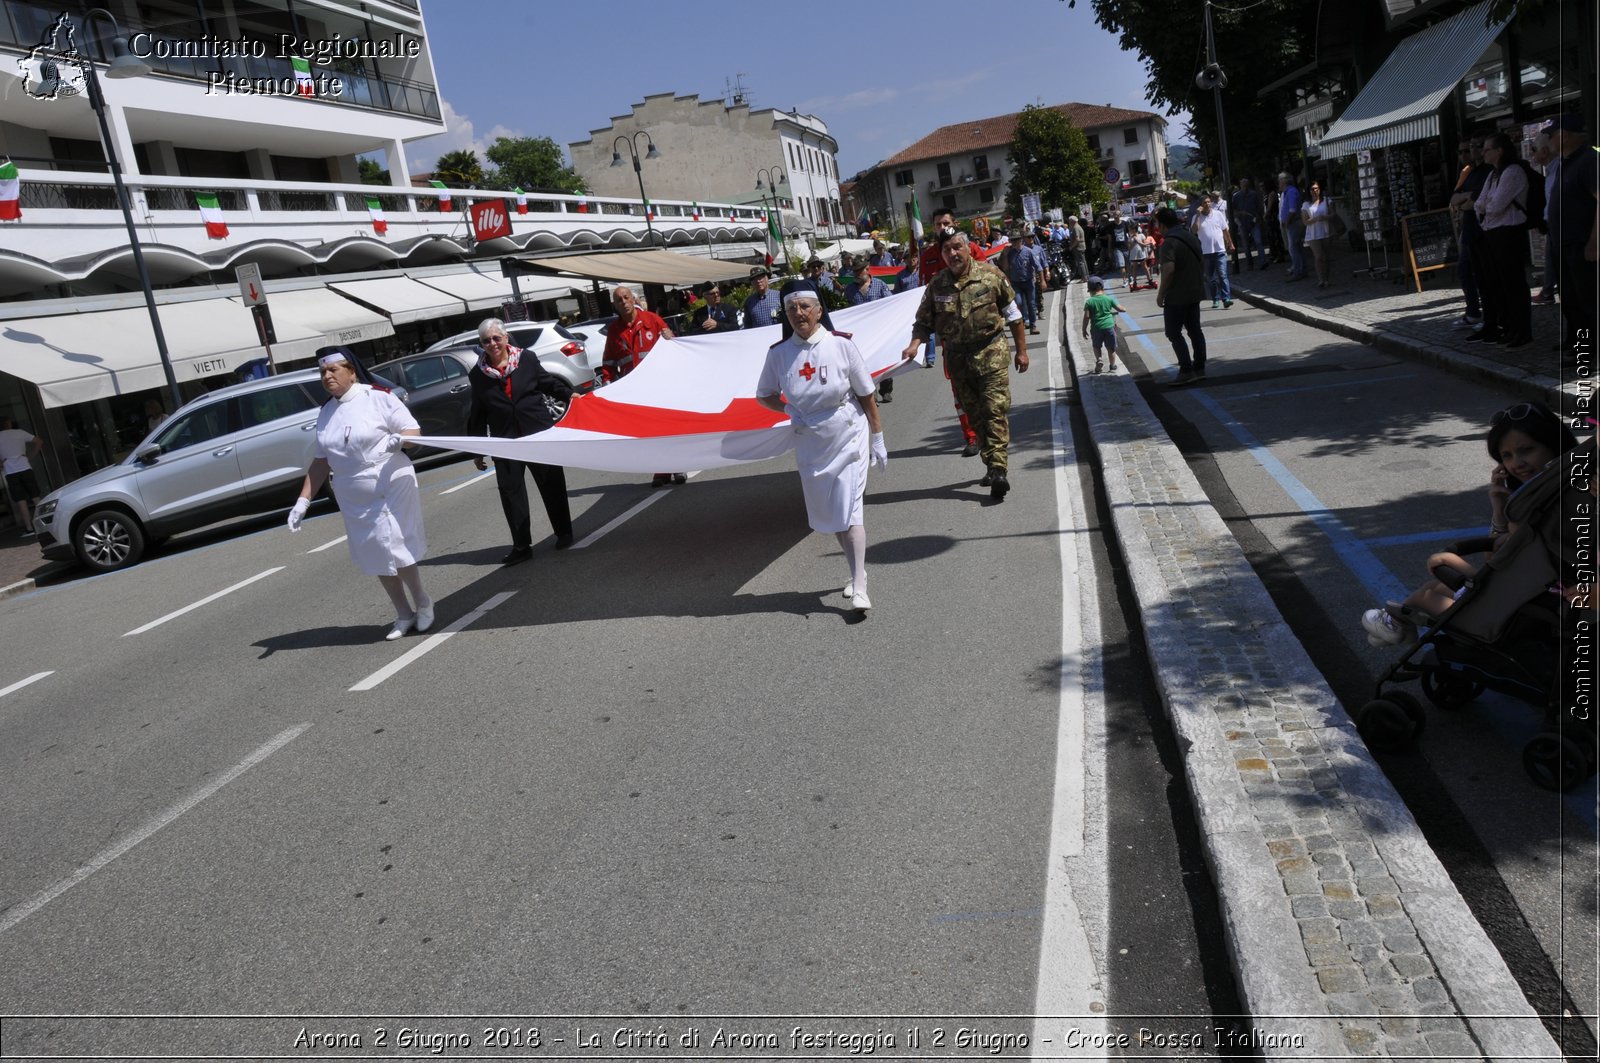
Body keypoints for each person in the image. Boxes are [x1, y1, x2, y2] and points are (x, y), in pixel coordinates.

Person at [1361, 402, 1578, 646]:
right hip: (1527, 596)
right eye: (1506, 456)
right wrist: (1499, 508)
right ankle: (1398, 624)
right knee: (1437, 578)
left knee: (1431, 581)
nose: (1516, 464)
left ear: (1554, 445)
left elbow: (1497, 561)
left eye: (1526, 450)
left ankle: (1395, 623)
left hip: (1522, 610)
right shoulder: (1552, 496)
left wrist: (1504, 523)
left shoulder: (1542, 506)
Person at [754, 280, 886, 613]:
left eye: (804, 306)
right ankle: (857, 571)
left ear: (819, 310)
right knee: (833, 514)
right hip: (810, 440)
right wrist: (787, 408)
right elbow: (764, 395)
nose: (798, 313)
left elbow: (866, 393)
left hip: (847, 431)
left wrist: (878, 436)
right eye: (791, 308)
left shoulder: (841, 345)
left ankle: (860, 586)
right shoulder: (779, 354)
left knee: (851, 508)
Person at [287, 347, 433, 642]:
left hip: (389, 479)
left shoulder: (379, 396)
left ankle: (423, 602)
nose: (327, 376)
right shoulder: (326, 412)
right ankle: (403, 613)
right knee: (375, 552)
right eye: (323, 372)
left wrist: (400, 440)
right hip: (352, 491)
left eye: (334, 370)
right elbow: (320, 460)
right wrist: (303, 501)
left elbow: (414, 432)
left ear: (351, 371)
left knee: (395, 543)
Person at [900, 230, 1030, 500]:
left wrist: (1022, 351)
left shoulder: (991, 275)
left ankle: (998, 469)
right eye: (947, 250)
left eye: (957, 247)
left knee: (994, 411)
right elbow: (923, 323)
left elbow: (1014, 315)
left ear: (968, 248)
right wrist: (914, 345)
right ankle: (990, 460)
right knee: (975, 417)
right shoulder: (936, 285)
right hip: (959, 360)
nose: (953, 254)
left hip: (991, 353)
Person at [466, 317, 575, 565]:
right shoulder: (478, 374)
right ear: (481, 344)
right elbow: (478, 411)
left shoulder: (526, 359)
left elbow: (547, 383)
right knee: (510, 491)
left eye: (496, 338)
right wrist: (477, 447)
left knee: (551, 483)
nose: (492, 343)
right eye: (486, 340)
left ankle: (564, 532)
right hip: (506, 441)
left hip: (537, 433)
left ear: (505, 338)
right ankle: (522, 546)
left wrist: (571, 396)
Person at [601, 287, 685, 487]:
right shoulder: (614, 331)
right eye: (619, 300)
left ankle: (679, 465)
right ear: (615, 305)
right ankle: (660, 470)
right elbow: (609, 362)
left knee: (667, 426)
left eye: (626, 297)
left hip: (659, 385)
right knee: (648, 431)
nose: (623, 302)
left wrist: (670, 336)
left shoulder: (652, 320)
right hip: (635, 391)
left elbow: (673, 346)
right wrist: (607, 386)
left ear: (633, 299)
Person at [1470, 132, 1532, 349]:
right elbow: (1479, 204)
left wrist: (1487, 205)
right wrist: (1486, 205)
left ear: (1499, 151)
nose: (1482, 152)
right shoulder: (1493, 174)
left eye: (1487, 148)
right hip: (1493, 233)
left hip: (1510, 231)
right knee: (1500, 284)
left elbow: (1495, 206)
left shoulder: (1512, 172)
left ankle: (1522, 330)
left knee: (1514, 284)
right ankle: (1510, 327)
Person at [1547, 113, 1598, 363]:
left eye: (1552, 135)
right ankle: (1580, 348)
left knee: (1588, 302)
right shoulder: (1565, 162)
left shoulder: (1589, 160)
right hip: (1563, 245)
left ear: (1564, 136)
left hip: (1582, 244)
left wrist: (1594, 241)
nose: (1549, 141)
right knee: (1571, 301)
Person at [1154, 206, 1208, 387]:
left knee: (1173, 333)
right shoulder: (1190, 236)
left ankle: (1186, 370)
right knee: (1195, 330)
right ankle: (1200, 368)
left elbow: (1168, 269)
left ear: (1161, 225)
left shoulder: (1169, 242)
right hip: (1195, 290)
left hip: (1177, 294)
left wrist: (1161, 294)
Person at [1448, 137, 1491, 329]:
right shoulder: (1468, 171)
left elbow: (1476, 201)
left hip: (1485, 230)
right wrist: (1466, 198)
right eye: (1464, 150)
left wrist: (1466, 200)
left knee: (1485, 275)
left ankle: (1491, 317)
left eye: (1474, 147)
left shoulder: (1488, 171)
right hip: (1470, 229)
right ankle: (1474, 312)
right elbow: (1456, 199)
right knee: (1466, 271)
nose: (1467, 153)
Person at [0, 416, 44, 536]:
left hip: (10, 471)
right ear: (9, 423)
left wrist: (1, 463)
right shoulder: (19, 433)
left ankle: (29, 528)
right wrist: (30, 456)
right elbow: (39, 441)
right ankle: (44, 523)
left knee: (21, 501)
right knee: (36, 497)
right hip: (25, 466)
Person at [1191, 194, 1234, 309]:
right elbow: (1194, 230)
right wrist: (1198, 216)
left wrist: (1230, 243)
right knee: (1211, 278)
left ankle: (1226, 298)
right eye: (1205, 202)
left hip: (1220, 250)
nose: (1208, 204)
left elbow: (1225, 230)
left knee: (1223, 275)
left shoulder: (1218, 214)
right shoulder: (1196, 217)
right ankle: (1215, 299)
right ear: (1201, 205)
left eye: (1209, 202)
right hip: (1206, 252)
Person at [1081, 276, 1126, 374]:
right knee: (1111, 348)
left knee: (1096, 346)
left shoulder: (1089, 302)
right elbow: (1121, 309)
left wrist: (1083, 329)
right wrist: (1123, 308)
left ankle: (1099, 360)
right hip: (1109, 326)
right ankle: (1112, 366)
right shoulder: (1108, 299)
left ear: (1090, 290)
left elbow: (1087, 317)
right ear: (1102, 288)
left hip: (1096, 328)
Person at [1301, 181, 1332, 288]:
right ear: (1309, 191)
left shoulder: (1327, 201)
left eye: (1316, 188)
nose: (1314, 191)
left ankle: (1327, 278)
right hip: (1313, 234)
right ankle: (1321, 279)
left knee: (1326, 257)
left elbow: (1333, 214)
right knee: (1319, 256)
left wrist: (1325, 217)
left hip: (1325, 231)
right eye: (1312, 189)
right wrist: (1314, 219)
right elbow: (1305, 221)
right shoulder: (1306, 204)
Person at [1232, 177, 1266, 271]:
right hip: (1242, 223)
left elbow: (1259, 206)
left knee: (1258, 241)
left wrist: (1258, 216)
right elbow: (1234, 210)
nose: (1244, 186)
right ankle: (1250, 264)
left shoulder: (1253, 194)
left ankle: (1263, 262)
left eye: (1246, 184)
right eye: (1243, 184)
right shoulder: (1236, 196)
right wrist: (1239, 215)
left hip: (1254, 222)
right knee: (1246, 245)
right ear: (1240, 185)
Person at [1278, 172, 1306, 281]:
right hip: (1292, 223)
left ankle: (1298, 271)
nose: (1279, 183)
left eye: (1279, 180)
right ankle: (1301, 270)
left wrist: (1287, 222)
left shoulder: (1291, 192)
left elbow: (1293, 210)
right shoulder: (1287, 192)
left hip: (1294, 223)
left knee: (1294, 248)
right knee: (1297, 247)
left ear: (1284, 181)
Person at [1126, 222, 1156, 290]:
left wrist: (1138, 242)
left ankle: (1150, 280)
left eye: (1130, 229)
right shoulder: (1130, 238)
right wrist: (1133, 243)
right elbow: (1129, 248)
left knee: (1145, 266)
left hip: (1141, 254)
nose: (1129, 231)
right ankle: (1134, 282)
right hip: (1134, 255)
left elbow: (1145, 245)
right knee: (1135, 268)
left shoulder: (1141, 235)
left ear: (1134, 229)